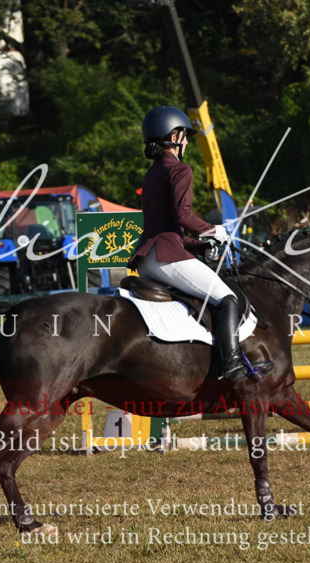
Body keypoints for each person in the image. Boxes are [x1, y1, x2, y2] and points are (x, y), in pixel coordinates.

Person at [129, 105, 266, 384]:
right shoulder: (180, 169)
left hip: (146, 259)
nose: (188, 142)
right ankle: (231, 366)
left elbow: (165, 226)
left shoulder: (152, 173)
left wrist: (199, 245)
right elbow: (183, 215)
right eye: (185, 136)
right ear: (173, 137)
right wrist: (214, 230)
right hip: (166, 258)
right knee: (226, 298)